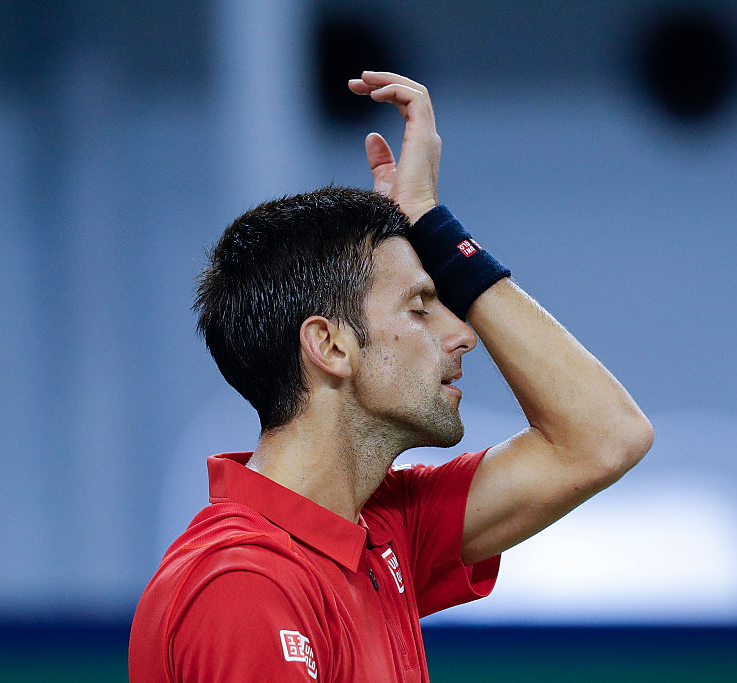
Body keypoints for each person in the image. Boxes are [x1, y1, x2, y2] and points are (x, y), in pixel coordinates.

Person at [128, 71, 653, 682]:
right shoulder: (244, 585)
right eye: (420, 307)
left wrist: (431, 221)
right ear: (330, 346)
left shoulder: (383, 528)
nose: (464, 333)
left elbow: (604, 436)